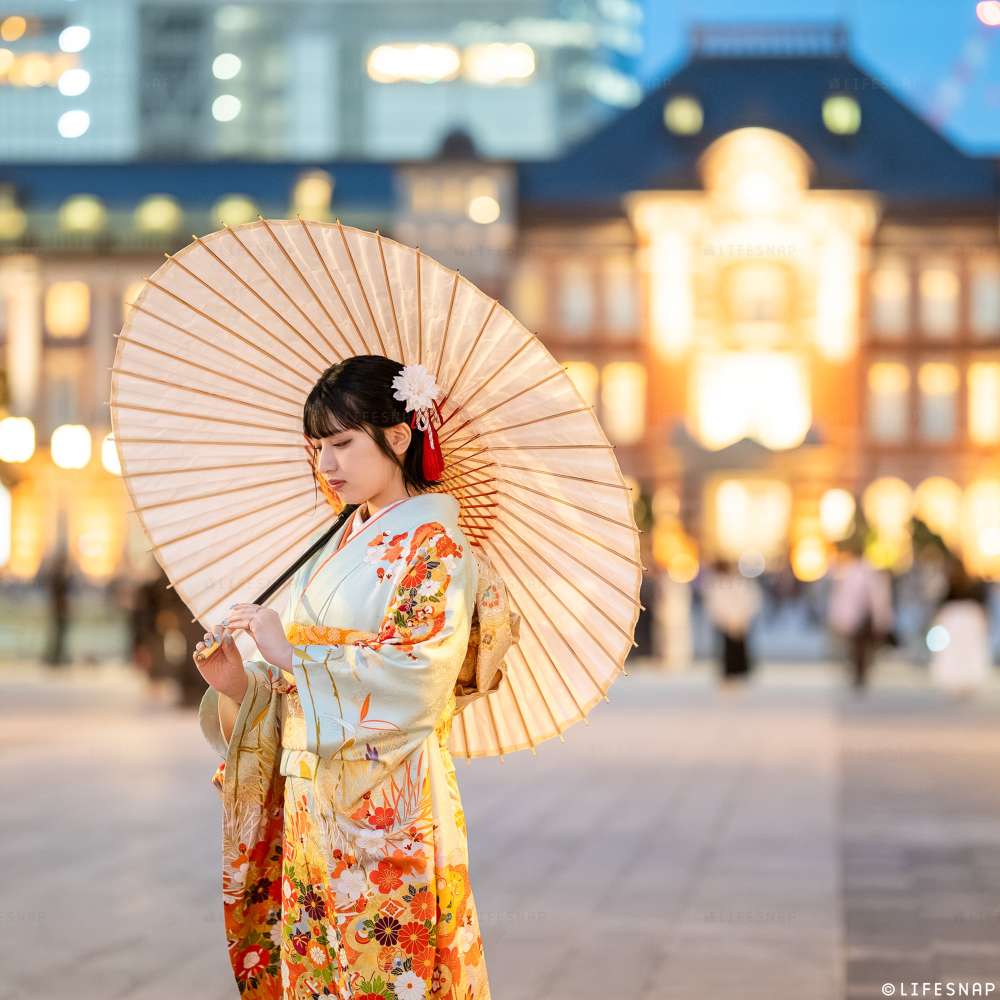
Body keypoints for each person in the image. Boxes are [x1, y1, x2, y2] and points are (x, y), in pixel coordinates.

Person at [195, 355, 492, 999]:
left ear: (399, 437)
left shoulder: (435, 546)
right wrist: (241, 684)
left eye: (343, 443)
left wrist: (291, 655)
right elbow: (296, 675)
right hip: (314, 798)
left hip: (392, 799)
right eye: (319, 447)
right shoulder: (340, 537)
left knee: (387, 968)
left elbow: (417, 674)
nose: (327, 464)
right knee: (319, 968)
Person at [827, 539, 894, 690]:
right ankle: (859, 673)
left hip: (861, 618)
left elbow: (871, 598)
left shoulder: (854, 573)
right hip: (858, 618)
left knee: (859, 648)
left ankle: (860, 673)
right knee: (858, 648)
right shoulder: (856, 572)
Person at [928, 556, 992, 697]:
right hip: (968, 618)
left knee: (956, 650)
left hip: (955, 618)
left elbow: (942, 601)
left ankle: (959, 679)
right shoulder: (971, 583)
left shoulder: (951, 582)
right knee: (967, 650)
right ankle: (966, 679)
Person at [702, 558, 762, 686]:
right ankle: (728, 674)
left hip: (741, 622)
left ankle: (741, 673)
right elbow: (715, 605)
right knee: (726, 650)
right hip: (725, 624)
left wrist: (742, 618)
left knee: (740, 649)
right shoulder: (717, 585)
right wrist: (725, 620)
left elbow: (752, 601)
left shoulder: (744, 584)